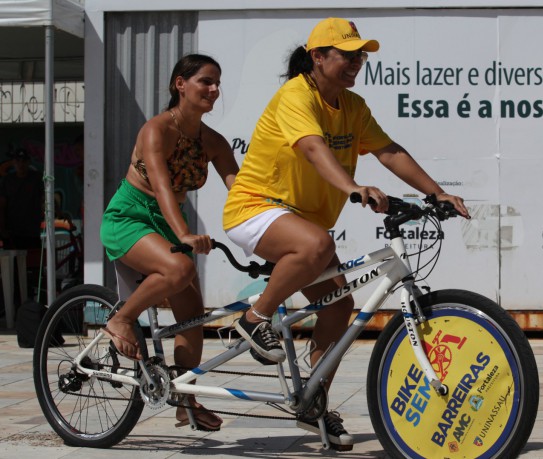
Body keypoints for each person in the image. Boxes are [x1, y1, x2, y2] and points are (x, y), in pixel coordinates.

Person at [222, 17, 470, 450]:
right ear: (318, 57)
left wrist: (438, 192)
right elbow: (313, 148)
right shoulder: (295, 95)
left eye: (361, 55)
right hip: (256, 208)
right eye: (348, 54)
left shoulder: (352, 106)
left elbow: (388, 151)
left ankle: (312, 402)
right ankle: (254, 318)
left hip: (303, 222)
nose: (357, 62)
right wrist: (354, 188)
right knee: (318, 244)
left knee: (339, 309)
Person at [100, 54, 239, 432]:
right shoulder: (156, 130)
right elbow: (162, 187)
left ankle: (183, 398)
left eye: (217, 82)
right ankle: (122, 318)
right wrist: (183, 235)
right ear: (180, 84)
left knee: (193, 316)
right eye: (205, 82)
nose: (214, 89)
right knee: (180, 267)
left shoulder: (214, 142)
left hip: (167, 223)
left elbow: (242, 193)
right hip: (130, 217)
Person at [0, 148, 44, 250]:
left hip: (32, 231)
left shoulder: (37, 178)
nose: (21, 164)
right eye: (17, 161)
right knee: (12, 264)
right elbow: (1, 206)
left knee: (33, 263)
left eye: (24, 161)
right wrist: (2, 229)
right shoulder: (7, 180)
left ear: (28, 162)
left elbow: (46, 198)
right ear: (13, 162)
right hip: (12, 232)